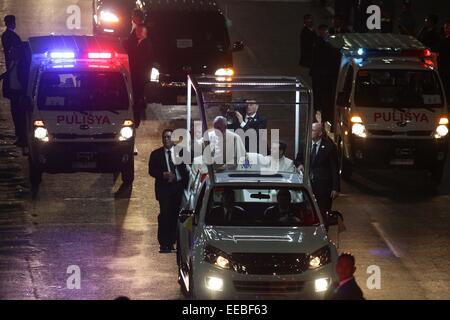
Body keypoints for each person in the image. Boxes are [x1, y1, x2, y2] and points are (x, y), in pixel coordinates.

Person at [149, 129, 189, 253]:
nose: (166, 139)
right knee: (164, 215)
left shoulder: (181, 152)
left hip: (177, 188)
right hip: (164, 189)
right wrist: (162, 175)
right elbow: (151, 171)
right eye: (164, 137)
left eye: (169, 137)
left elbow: (187, 170)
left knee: (175, 216)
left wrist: (177, 178)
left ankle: (172, 242)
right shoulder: (156, 154)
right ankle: (164, 243)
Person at [295, 122, 340, 217]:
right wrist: (299, 165)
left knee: (323, 212)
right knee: (307, 212)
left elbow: (334, 168)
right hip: (308, 185)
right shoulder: (304, 143)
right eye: (310, 130)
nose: (310, 132)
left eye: (313, 130)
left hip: (324, 186)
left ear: (320, 133)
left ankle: (323, 230)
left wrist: (335, 188)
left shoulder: (329, 146)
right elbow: (298, 159)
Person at [1, 16, 26, 147]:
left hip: (14, 88)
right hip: (16, 89)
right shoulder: (11, 37)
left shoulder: (7, 36)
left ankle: (21, 136)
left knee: (17, 112)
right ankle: (21, 136)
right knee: (17, 112)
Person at [310, 24, 340, 125]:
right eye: (323, 32)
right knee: (321, 97)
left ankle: (325, 117)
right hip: (321, 75)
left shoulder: (326, 43)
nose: (325, 34)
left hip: (326, 75)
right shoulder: (319, 43)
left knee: (325, 98)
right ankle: (320, 116)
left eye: (326, 32)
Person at [126, 23, 153, 129]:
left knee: (137, 97)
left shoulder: (146, 44)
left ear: (145, 33)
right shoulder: (135, 42)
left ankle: (136, 120)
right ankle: (136, 118)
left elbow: (142, 60)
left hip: (140, 75)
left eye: (140, 31)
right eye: (136, 31)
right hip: (135, 74)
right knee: (135, 97)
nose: (137, 33)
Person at [438, 20, 450, 98]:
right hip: (443, 64)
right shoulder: (443, 38)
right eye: (445, 27)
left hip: (446, 64)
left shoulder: (446, 40)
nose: (446, 29)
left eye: (448, 27)